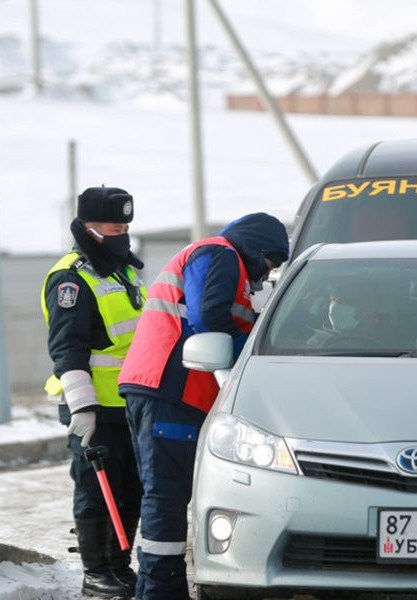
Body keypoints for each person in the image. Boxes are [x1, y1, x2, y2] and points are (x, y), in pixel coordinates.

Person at [117, 213, 289, 599]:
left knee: (166, 492)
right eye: (270, 262)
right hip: (170, 389)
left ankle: (159, 587)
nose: (267, 274)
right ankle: (161, 591)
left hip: (169, 390)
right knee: (167, 493)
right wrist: (255, 352)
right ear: (258, 248)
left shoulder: (225, 262)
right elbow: (208, 317)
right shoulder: (219, 253)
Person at [40, 186, 146, 598]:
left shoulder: (124, 269)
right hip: (94, 407)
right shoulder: (72, 277)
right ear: (87, 225)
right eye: (111, 221)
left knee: (131, 490)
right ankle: (96, 571)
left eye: (124, 221)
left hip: (130, 402)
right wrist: (82, 407)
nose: (121, 227)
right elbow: (67, 348)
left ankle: (120, 566)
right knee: (96, 491)